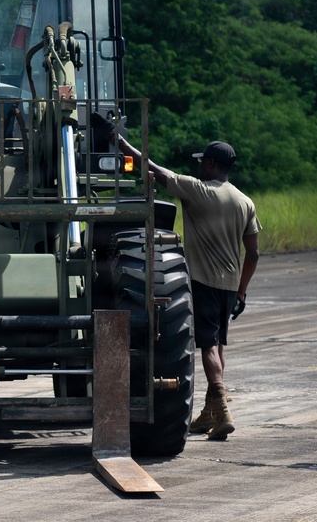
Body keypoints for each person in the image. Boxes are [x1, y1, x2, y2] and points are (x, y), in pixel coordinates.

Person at [92, 114, 261, 441]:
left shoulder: (198, 190)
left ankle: (223, 409)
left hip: (203, 281)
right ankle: (210, 412)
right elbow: (253, 253)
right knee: (218, 345)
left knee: (207, 346)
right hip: (229, 286)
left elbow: (153, 169)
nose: (199, 166)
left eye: (202, 162)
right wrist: (242, 292)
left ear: (211, 163)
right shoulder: (245, 202)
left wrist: (119, 141)